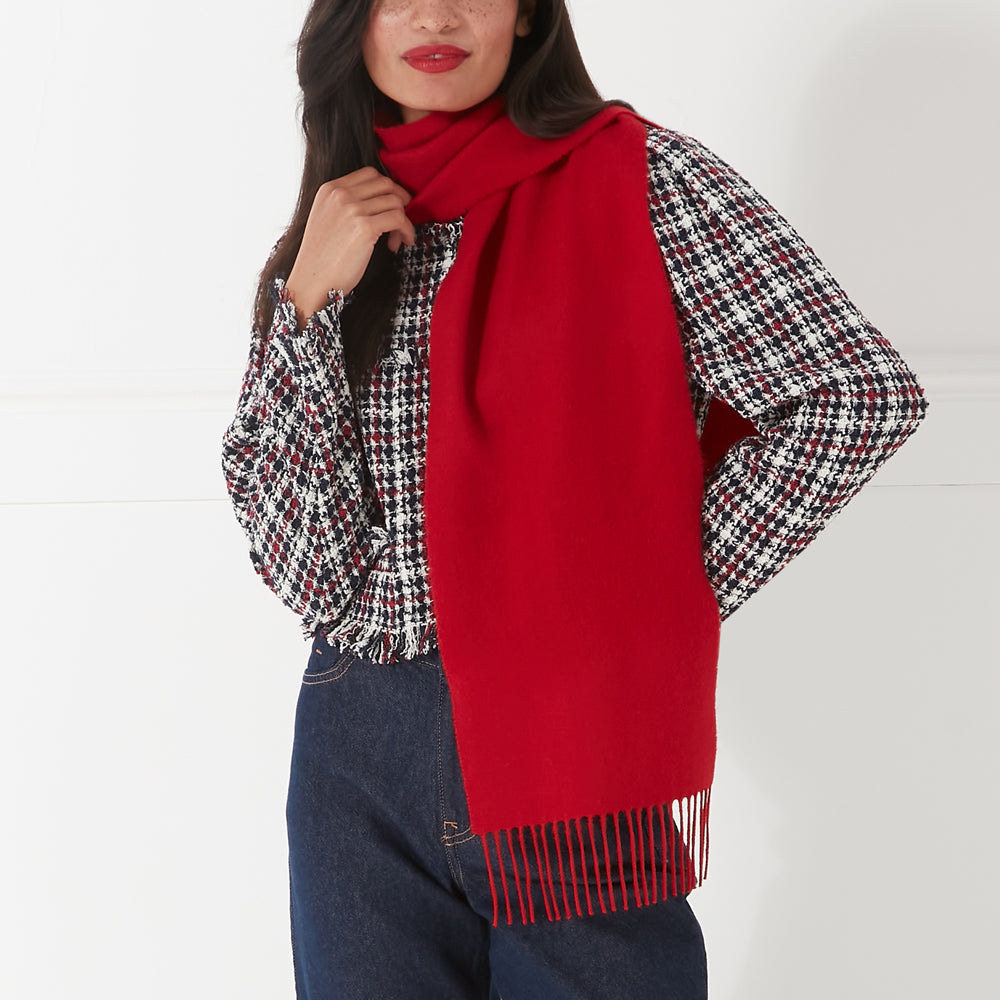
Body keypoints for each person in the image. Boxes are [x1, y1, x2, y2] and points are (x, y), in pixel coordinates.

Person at [221, 1, 928, 997]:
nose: (436, 11)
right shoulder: (337, 226)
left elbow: (853, 395)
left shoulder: (649, 178)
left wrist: (642, 594)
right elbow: (310, 574)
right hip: (356, 745)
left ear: (527, 14)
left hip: (572, 732)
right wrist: (303, 303)